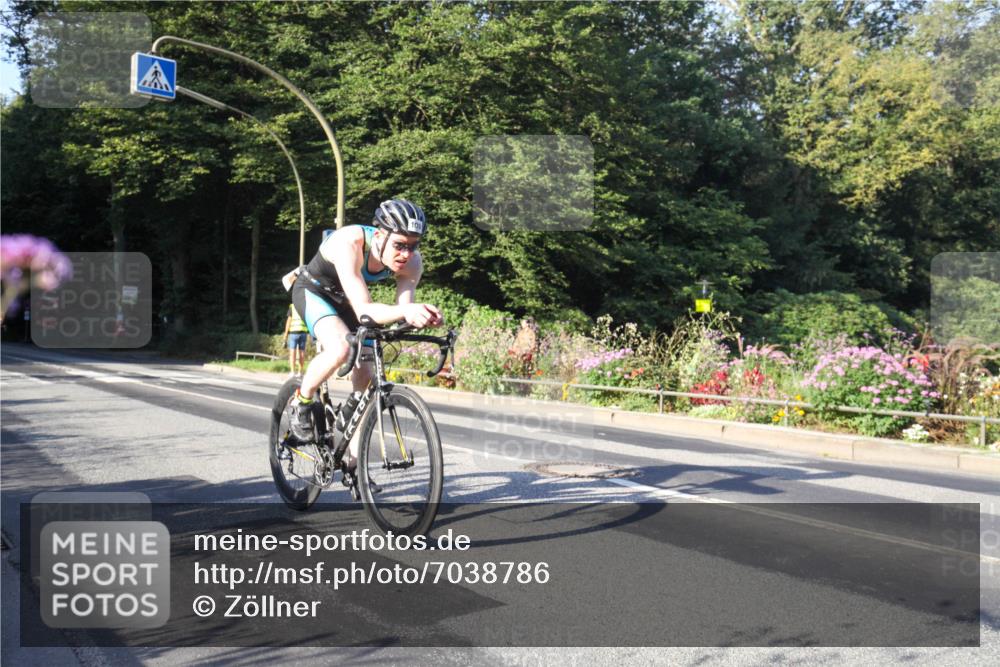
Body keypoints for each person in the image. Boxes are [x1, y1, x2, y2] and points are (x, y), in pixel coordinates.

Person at [288, 199, 443, 445]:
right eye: (400, 245)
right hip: (314, 292)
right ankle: (301, 401)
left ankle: (352, 460)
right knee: (341, 348)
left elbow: (402, 309)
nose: (406, 254)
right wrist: (407, 311)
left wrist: (421, 317)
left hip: (348, 302)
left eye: (413, 246)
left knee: (367, 373)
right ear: (380, 235)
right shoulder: (348, 242)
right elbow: (364, 311)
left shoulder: (413, 263)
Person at [282, 303, 309, 376]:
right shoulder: (305, 306)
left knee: (292, 353)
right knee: (302, 353)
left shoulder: (292, 306)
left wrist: (285, 335)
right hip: (303, 332)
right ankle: (300, 372)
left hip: (294, 332)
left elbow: (289, 321)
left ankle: (292, 372)